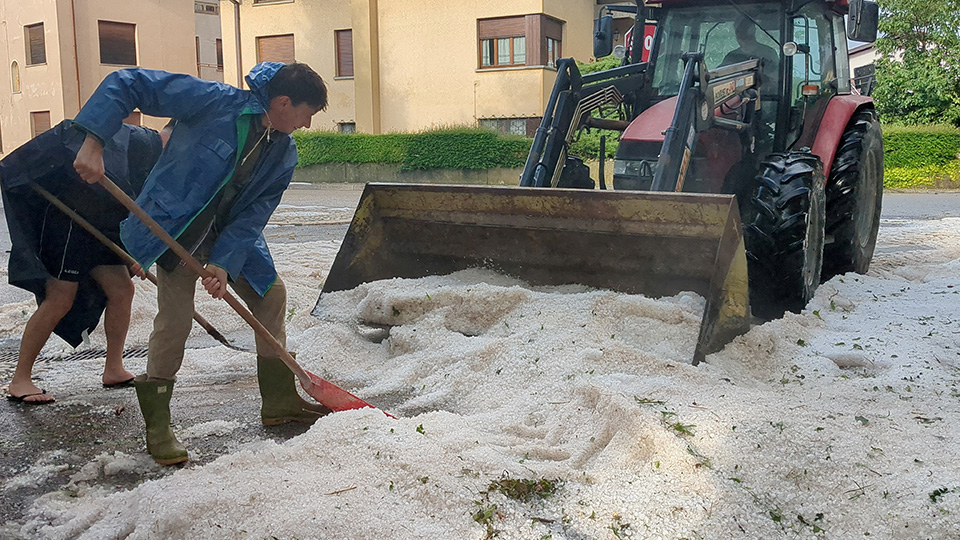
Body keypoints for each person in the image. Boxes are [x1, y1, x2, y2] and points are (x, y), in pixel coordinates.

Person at [72, 62, 329, 466]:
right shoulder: (214, 102)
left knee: (271, 295)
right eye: (307, 114)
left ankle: (279, 401)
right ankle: (158, 427)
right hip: (176, 228)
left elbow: (253, 214)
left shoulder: (284, 151)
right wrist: (94, 142)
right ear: (283, 103)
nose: (308, 125)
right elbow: (129, 82)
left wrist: (224, 264)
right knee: (175, 322)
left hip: (230, 236)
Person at [2, 120, 163, 404]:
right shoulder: (134, 141)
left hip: (104, 225)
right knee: (60, 297)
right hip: (70, 224)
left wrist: (142, 250)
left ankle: (113, 368)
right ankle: (20, 380)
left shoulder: (149, 150)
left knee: (122, 290)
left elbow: (141, 201)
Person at [721, 18, 780, 90]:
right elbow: (719, 78)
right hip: (738, 99)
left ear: (753, 32)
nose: (740, 36)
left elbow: (776, 79)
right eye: (739, 32)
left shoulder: (768, 54)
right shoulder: (731, 57)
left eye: (744, 31)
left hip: (766, 98)